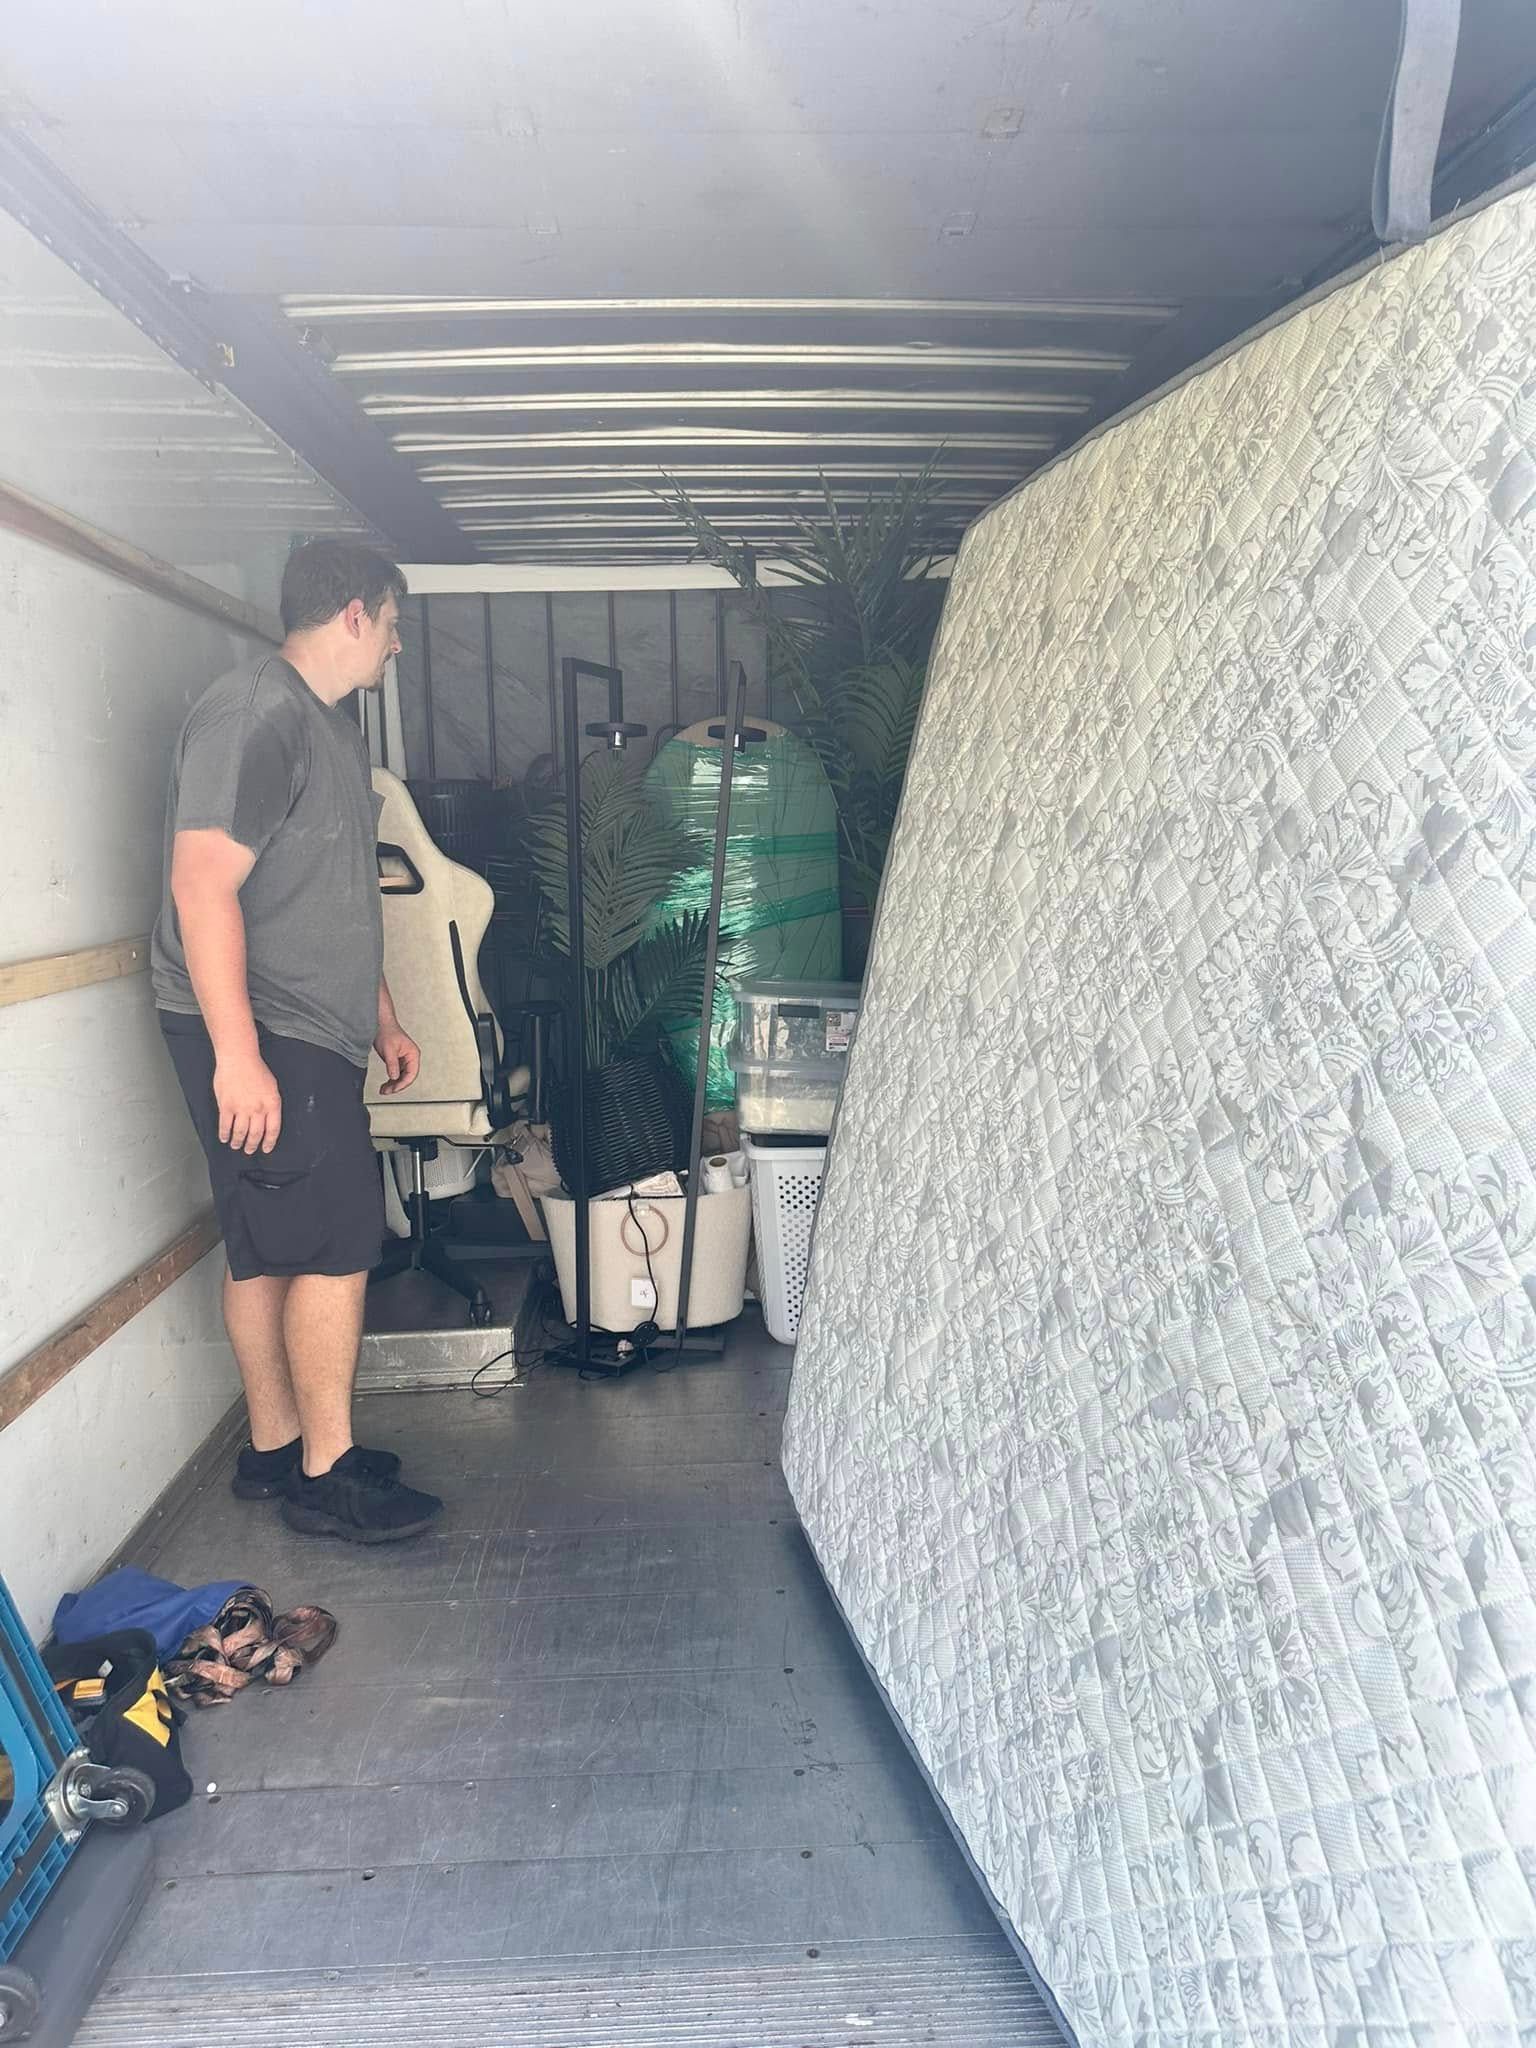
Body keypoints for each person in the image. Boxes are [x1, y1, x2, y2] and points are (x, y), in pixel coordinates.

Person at [151, 538, 443, 1543]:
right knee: (334, 1243)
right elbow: (201, 884)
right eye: (394, 625)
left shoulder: (327, 723)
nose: (396, 648)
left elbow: (332, 889)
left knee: (267, 1238)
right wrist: (239, 1053)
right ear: (355, 614)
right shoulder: (256, 715)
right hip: (261, 1026)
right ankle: (328, 1472)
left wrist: (384, 1013)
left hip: (302, 1026)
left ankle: (278, 1447)